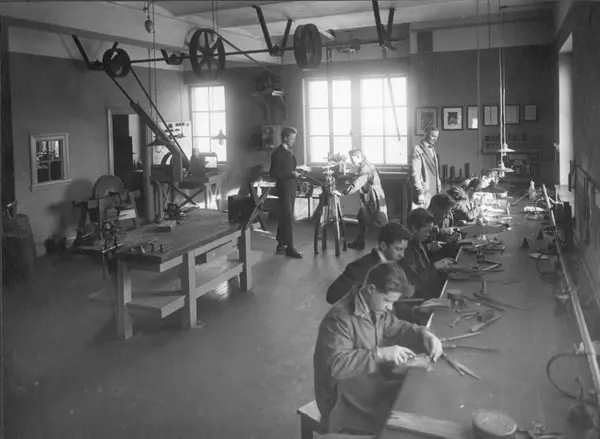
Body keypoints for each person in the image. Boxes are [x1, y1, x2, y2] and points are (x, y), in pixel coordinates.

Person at [314, 262, 444, 435]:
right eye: (387, 301)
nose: (390, 307)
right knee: (397, 422)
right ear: (371, 289)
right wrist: (380, 354)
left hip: (366, 381)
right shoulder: (339, 319)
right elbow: (336, 367)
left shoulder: (376, 307)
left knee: (413, 395)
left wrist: (423, 334)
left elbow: (396, 327)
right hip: (339, 395)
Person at [326, 222, 411, 305]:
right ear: (383, 246)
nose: (402, 255)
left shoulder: (395, 265)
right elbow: (332, 295)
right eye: (398, 249)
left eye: (404, 250)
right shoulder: (362, 267)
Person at [400, 208, 455, 300]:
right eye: (426, 231)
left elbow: (424, 267)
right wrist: (435, 267)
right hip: (422, 299)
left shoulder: (417, 242)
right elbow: (414, 284)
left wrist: (441, 266)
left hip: (431, 289)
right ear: (414, 228)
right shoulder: (404, 250)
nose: (428, 235)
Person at [342, 149, 388, 250]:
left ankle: (388, 245)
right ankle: (359, 242)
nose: (351, 160)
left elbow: (360, 181)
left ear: (358, 157)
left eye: (352, 158)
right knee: (362, 218)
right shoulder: (364, 164)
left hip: (375, 196)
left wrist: (345, 192)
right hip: (369, 194)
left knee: (381, 220)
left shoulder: (366, 167)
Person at [269, 127, 302, 259]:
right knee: (287, 217)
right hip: (284, 189)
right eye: (292, 138)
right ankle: (290, 247)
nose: (294, 140)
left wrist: (295, 177)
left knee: (285, 217)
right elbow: (274, 173)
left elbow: (290, 169)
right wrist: (291, 174)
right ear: (285, 138)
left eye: (294, 138)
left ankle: (281, 244)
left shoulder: (289, 151)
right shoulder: (278, 153)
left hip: (291, 188)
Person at [411, 126, 442, 209]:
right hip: (424, 189)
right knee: (424, 213)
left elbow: (435, 172)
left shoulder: (432, 149)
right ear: (426, 134)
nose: (435, 139)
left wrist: (439, 186)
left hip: (434, 189)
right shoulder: (418, 149)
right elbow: (415, 172)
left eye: (437, 137)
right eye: (433, 136)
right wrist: (419, 191)